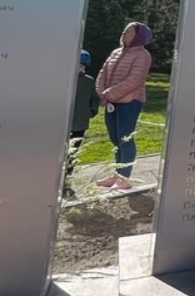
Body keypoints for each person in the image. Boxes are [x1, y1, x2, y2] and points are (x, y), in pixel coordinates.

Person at [95, 22, 152, 191]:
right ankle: (117, 174)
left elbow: (135, 80)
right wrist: (101, 92)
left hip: (130, 102)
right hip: (111, 102)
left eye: (128, 32)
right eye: (124, 31)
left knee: (125, 139)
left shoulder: (143, 56)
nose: (124, 33)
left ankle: (124, 177)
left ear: (138, 36)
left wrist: (109, 93)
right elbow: (102, 73)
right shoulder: (116, 52)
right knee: (115, 140)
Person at [65, 50, 99, 199]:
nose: (78, 68)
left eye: (81, 66)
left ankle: (66, 182)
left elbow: (95, 99)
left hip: (79, 124)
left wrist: (92, 111)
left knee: (72, 154)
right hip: (63, 124)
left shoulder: (89, 81)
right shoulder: (65, 80)